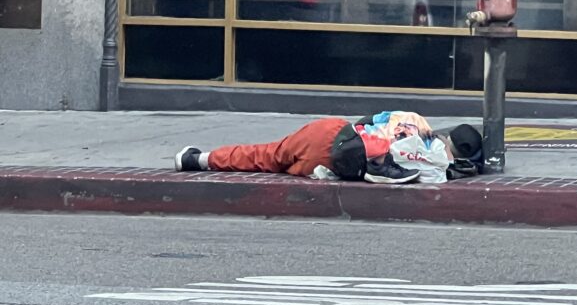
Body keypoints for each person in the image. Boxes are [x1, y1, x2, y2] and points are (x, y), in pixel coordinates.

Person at [174, 115, 484, 183]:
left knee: (264, 153)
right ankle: (198, 160)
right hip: (337, 162)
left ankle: (197, 159)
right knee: (271, 162)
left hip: (333, 131)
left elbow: (368, 120)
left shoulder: (415, 121)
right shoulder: (438, 159)